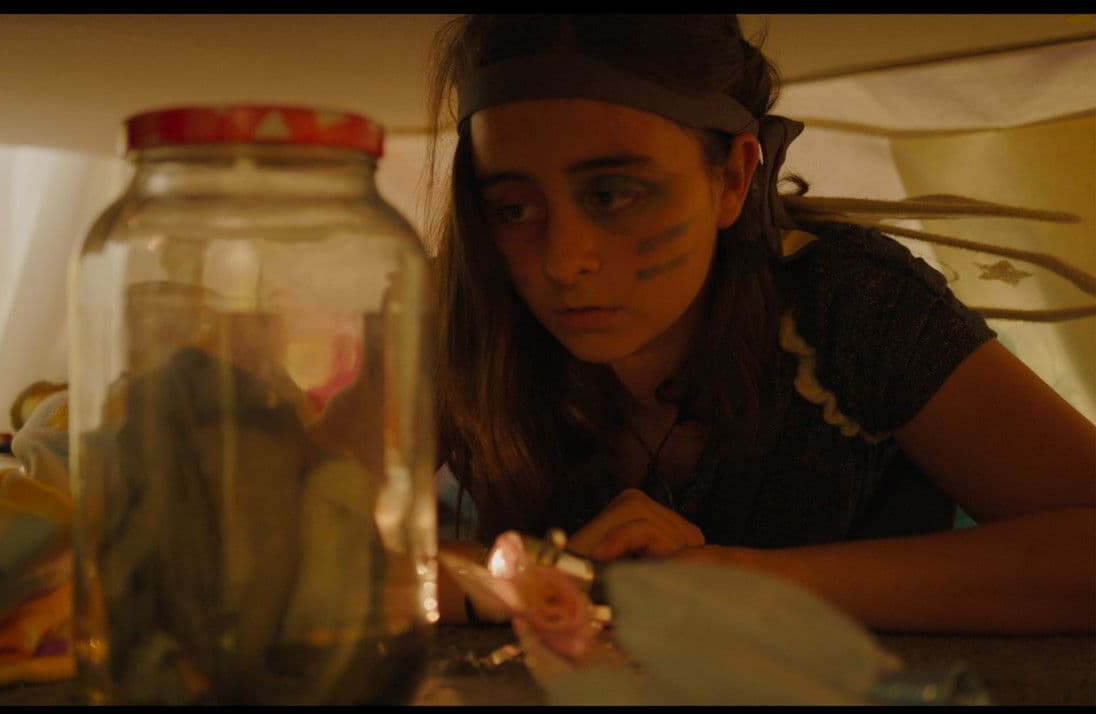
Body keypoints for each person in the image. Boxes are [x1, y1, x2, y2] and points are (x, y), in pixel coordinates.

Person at [424, 14, 1095, 634]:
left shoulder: (852, 306)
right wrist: (534, 582)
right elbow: (352, 560)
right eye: (513, 208)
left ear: (733, 179)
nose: (563, 260)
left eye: (614, 194)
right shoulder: (461, 313)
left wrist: (746, 583)